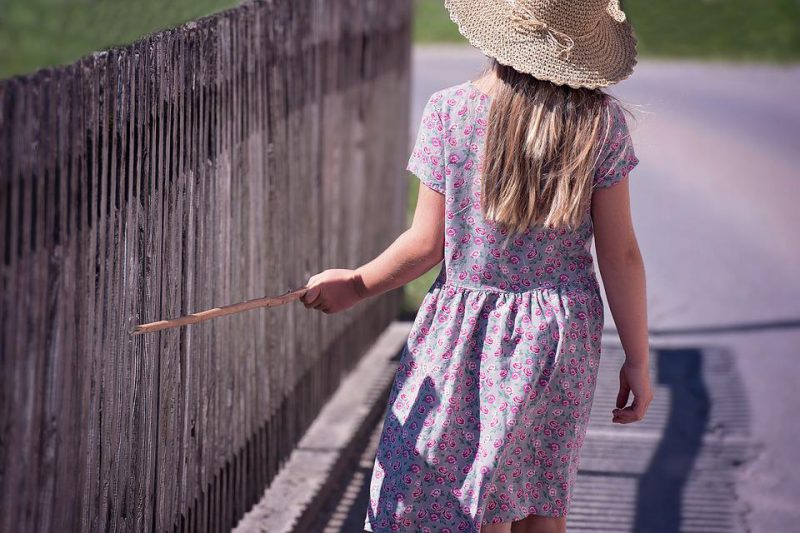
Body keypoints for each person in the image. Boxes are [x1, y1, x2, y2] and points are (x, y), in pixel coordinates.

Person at [301, 0, 653, 531]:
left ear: (498, 31)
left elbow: (426, 243)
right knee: (539, 499)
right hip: (560, 337)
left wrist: (356, 283)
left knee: (469, 498)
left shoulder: (451, 111)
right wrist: (637, 358)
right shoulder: (599, 123)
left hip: (465, 330)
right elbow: (619, 252)